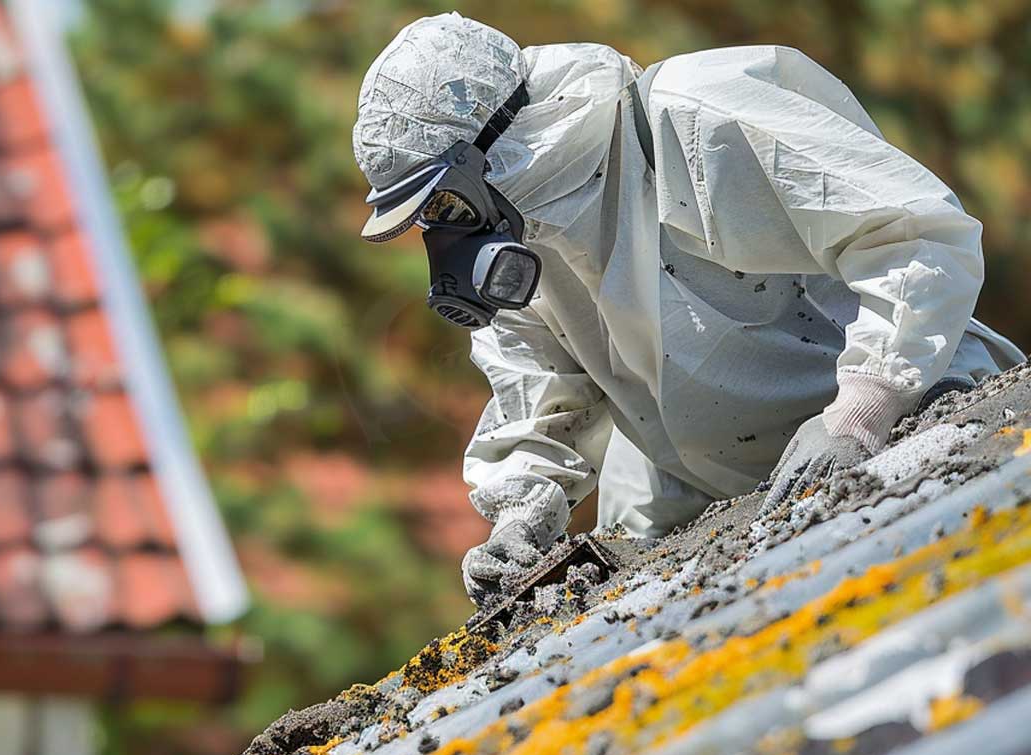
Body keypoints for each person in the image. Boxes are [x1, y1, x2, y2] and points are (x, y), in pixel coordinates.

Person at [353, 14, 1025, 604]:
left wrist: (864, 410)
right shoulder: (519, 241)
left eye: (441, 203)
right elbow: (540, 390)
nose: (442, 235)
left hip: (906, 415)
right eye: (425, 218)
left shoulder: (695, 116)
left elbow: (914, 233)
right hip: (713, 494)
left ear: (494, 147)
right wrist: (521, 513)